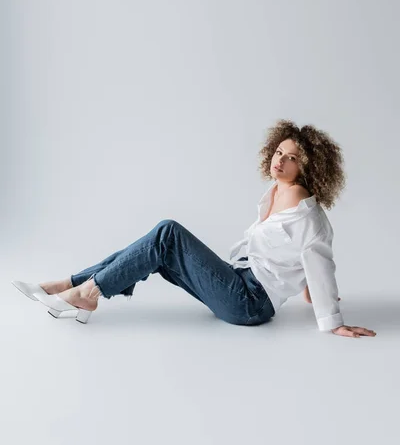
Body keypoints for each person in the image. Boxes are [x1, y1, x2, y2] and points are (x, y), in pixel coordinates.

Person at [12, 119, 376, 338]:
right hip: (238, 282)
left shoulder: (309, 215)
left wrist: (332, 321)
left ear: (308, 166)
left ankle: (85, 292)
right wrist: (307, 291)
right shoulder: (275, 193)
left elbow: (319, 261)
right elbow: (297, 262)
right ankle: (72, 285)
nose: (280, 160)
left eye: (292, 157)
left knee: (167, 233)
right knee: (157, 248)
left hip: (249, 303)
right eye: (279, 152)